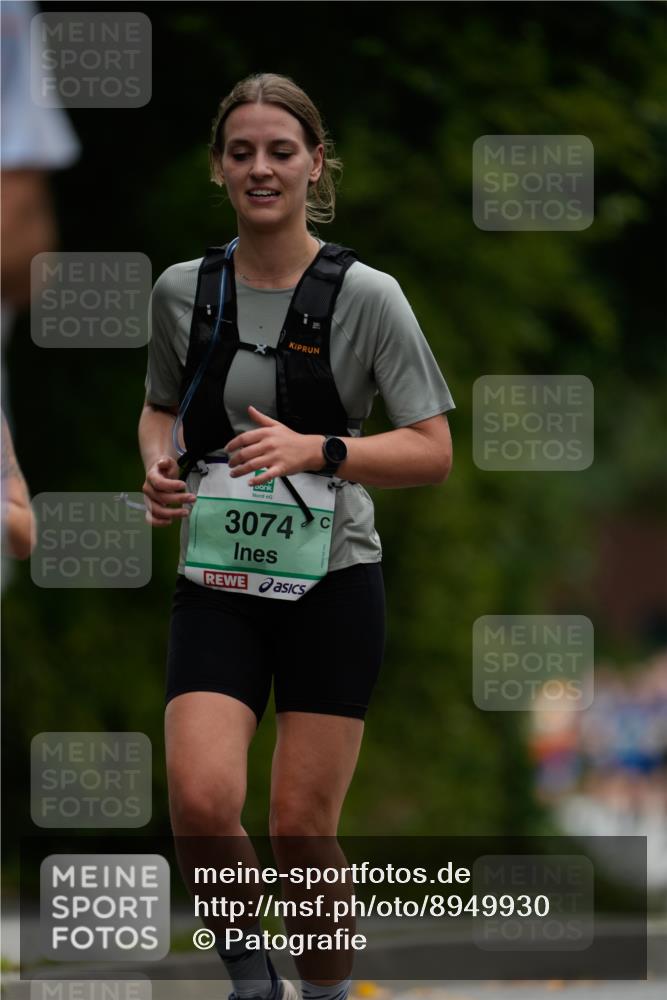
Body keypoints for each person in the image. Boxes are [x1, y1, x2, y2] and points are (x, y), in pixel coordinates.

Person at [139, 73, 455, 1000]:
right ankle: (252, 983)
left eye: (281, 150)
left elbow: (432, 451)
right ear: (218, 168)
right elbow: (160, 409)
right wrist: (158, 468)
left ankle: (321, 993)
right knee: (200, 803)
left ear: (316, 164)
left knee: (299, 830)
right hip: (219, 579)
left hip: (333, 582)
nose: (261, 168)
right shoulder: (181, 292)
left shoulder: (370, 297)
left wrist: (319, 447)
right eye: (242, 152)